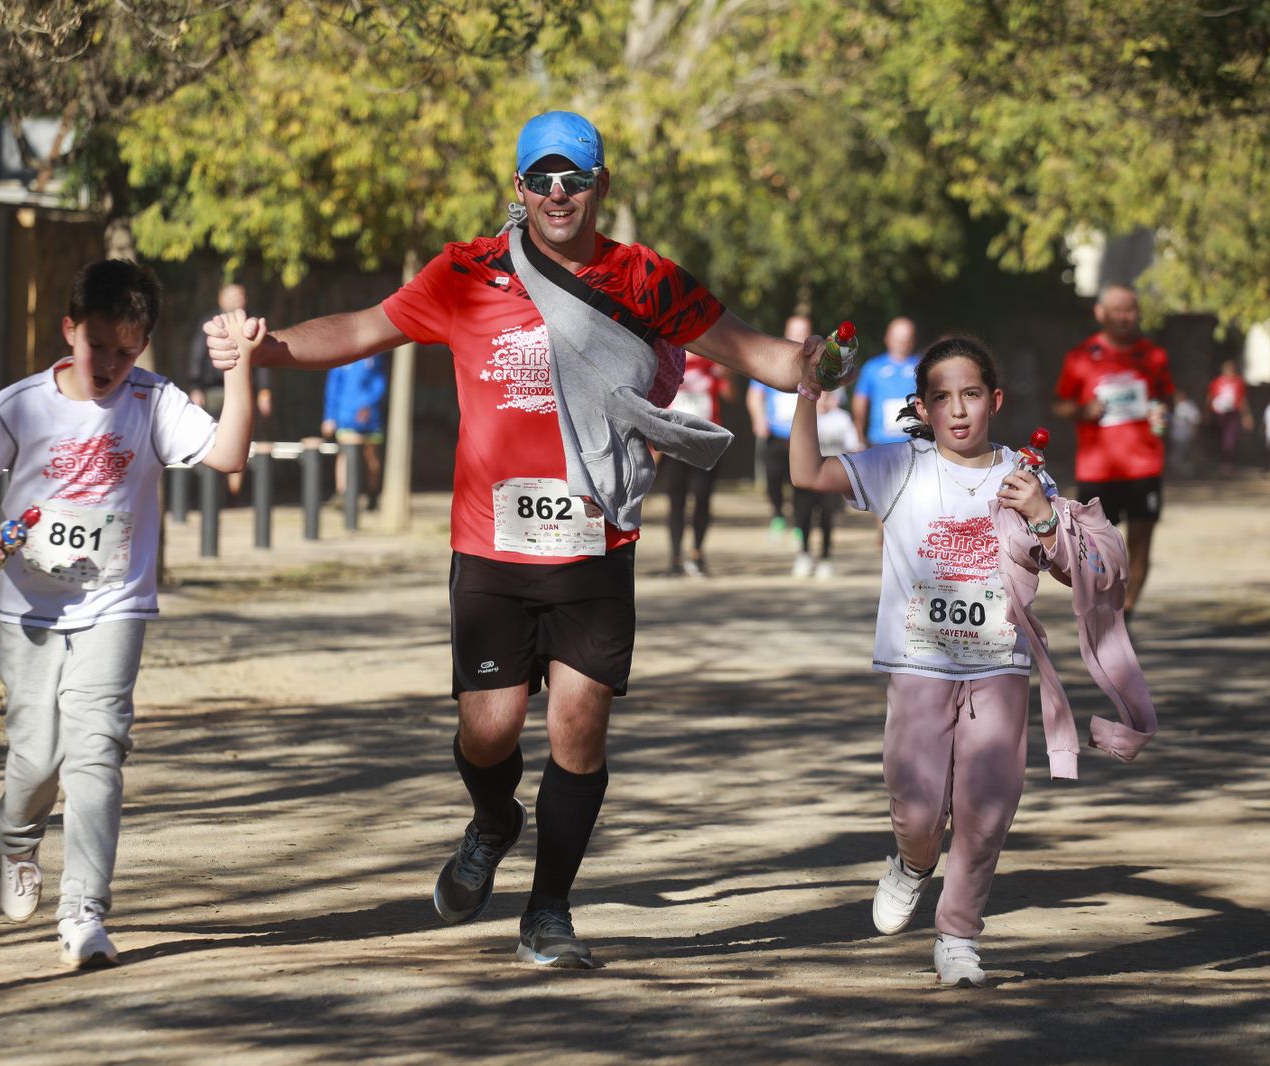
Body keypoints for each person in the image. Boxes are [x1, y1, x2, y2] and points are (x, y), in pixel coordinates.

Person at [203, 110, 822, 969]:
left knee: (579, 724)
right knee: (489, 732)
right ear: (519, 188)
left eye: (574, 178)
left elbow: (755, 350)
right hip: (491, 547)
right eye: (542, 179)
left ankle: (550, 911)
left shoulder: (646, 279)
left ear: (601, 186)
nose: (558, 193)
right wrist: (266, 352)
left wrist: (817, 364)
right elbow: (358, 329)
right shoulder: (465, 272)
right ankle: (495, 821)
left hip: (596, 542)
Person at [0, 260, 254, 969]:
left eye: (126, 350)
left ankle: (84, 911)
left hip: (115, 603)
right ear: (68, 330)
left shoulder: (152, 401)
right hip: (29, 607)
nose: (110, 364)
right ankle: (16, 836)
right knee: (36, 756)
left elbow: (230, 453)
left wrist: (239, 368)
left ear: (142, 346)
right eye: (97, 347)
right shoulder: (20, 404)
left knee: (96, 750)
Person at [789, 336, 1062, 989]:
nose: (959, 410)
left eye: (972, 395)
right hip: (918, 665)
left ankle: (959, 935)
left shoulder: (1023, 476)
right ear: (923, 405)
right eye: (943, 397)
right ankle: (912, 865)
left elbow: (1068, 569)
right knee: (917, 812)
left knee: (988, 806)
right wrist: (806, 392)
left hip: (999, 667)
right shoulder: (899, 466)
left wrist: (1045, 516)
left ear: (995, 400)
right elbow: (806, 473)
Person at [1052, 283, 1174, 616]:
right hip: (1097, 469)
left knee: (1141, 543)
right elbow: (1059, 404)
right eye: (1117, 309)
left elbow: (1166, 400)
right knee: (1093, 547)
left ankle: (1127, 610)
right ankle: (1101, 603)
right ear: (1100, 313)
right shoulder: (1080, 356)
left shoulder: (1154, 355)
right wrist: (1081, 411)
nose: (1124, 316)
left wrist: (1162, 413)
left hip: (1144, 466)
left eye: (1130, 309)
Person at [189, 283, 273, 496]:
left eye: (240, 295)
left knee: (241, 438)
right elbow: (197, 356)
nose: (237, 300)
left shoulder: (252, 324)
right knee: (213, 439)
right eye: (231, 296)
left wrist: (264, 391)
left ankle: (233, 493)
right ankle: (214, 493)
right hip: (214, 389)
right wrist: (195, 387)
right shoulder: (209, 323)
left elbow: (262, 359)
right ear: (220, 299)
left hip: (245, 389)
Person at [659, 351, 734, 577]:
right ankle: (675, 558)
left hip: (704, 443)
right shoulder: (669, 361)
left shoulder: (711, 363)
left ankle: (697, 554)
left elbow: (729, 395)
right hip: (676, 442)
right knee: (676, 500)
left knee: (702, 498)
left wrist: (726, 374)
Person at [747, 314, 811, 552]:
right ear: (786, 331)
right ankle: (778, 515)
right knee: (773, 479)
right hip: (775, 433)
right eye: (795, 330)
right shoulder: (773, 359)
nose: (799, 335)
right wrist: (759, 419)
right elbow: (755, 394)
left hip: (802, 437)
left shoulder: (818, 359)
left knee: (800, 483)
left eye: (804, 330)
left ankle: (799, 525)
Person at [795, 387, 861, 579]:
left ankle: (825, 557)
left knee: (827, 518)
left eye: (828, 396)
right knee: (803, 515)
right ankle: (804, 554)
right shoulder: (804, 417)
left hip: (830, 476)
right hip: (806, 476)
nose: (823, 400)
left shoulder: (841, 418)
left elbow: (853, 446)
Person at [321, 352, 390, 510]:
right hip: (345, 416)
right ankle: (343, 495)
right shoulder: (340, 356)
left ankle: (372, 494)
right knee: (344, 454)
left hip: (370, 418)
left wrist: (369, 405)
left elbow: (379, 383)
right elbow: (332, 388)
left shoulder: (374, 356)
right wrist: (329, 416)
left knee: (370, 457)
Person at [852, 317, 918, 447]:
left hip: (917, 443)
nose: (902, 343)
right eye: (898, 339)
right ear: (887, 338)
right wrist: (859, 434)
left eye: (906, 338)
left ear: (912, 340)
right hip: (880, 443)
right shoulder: (872, 367)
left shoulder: (922, 366)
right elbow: (860, 400)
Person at [1206, 359, 1253, 477]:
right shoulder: (1216, 382)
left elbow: (1242, 400)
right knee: (1220, 439)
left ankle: (1227, 464)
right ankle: (1219, 463)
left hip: (1233, 414)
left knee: (1230, 440)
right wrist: (1206, 412)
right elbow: (1210, 397)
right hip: (1218, 414)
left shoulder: (1238, 382)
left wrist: (1246, 416)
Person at [1167, 389, 1201, 478]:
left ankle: (1184, 473)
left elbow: (1195, 419)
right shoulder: (1177, 406)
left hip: (1185, 435)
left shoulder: (1188, 405)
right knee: (1178, 453)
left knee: (1183, 454)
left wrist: (1194, 432)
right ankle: (1177, 472)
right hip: (1176, 435)